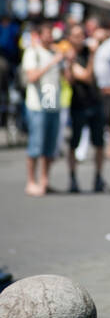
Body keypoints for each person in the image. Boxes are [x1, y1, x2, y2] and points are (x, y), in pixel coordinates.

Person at [63, 21, 109, 193]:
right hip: (78, 105)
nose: (81, 39)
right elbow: (86, 77)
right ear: (69, 38)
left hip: (95, 102)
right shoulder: (69, 56)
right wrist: (92, 56)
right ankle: (73, 178)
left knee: (99, 143)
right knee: (74, 143)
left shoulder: (89, 51)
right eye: (76, 36)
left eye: (82, 35)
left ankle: (98, 178)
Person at [21, 19, 62, 196]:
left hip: (53, 105)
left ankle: (44, 181)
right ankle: (31, 181)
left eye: (51, 33)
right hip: (37, 106)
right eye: (47, 34)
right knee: (35, 146)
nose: (50, 37)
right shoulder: (33, 53)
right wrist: (53, 62)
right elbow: (32, 77)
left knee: (49, 148)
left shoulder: (55, 52)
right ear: (39, 35)